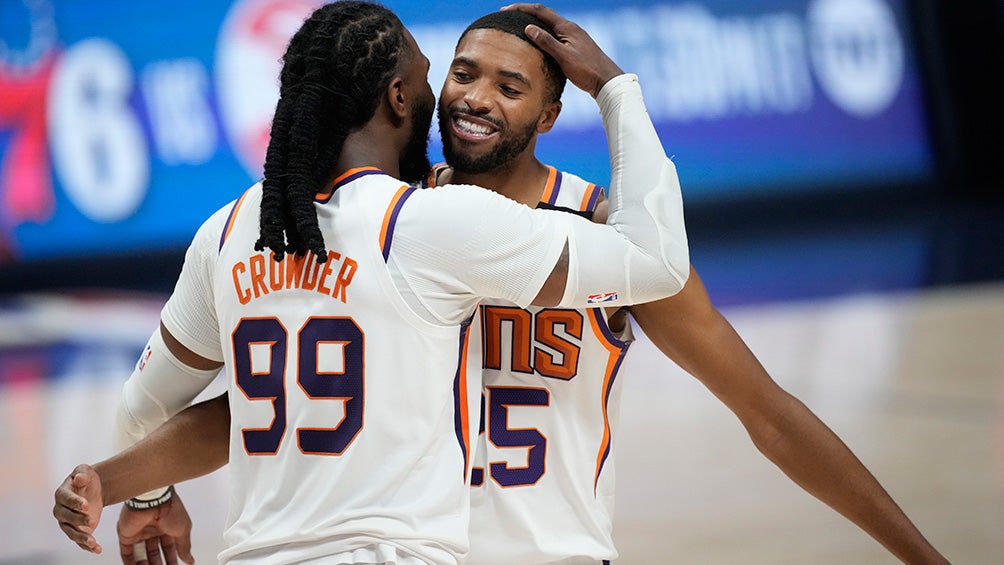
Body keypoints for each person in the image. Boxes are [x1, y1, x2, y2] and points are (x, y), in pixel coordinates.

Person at [55, 4, 950, 565]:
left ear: (552, 113)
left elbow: (768, 412)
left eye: (510, 85)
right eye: (464, 74)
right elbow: (256, 405)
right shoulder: (389, 223)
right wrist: (128, 477)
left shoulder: (600, 231)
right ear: (417, 93)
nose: (476, 96)